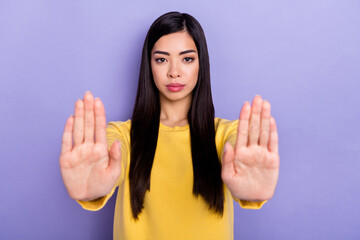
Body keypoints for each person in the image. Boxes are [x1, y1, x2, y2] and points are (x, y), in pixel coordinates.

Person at [59, 11, 279, 240]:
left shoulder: (227, 134)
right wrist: (93, 189)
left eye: (187, 59)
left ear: (201, 64)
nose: (174, 72)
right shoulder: (123, 136)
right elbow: (109, 154)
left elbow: (237, 150)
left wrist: (252, 191)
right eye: (162, 59)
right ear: (149, 65)